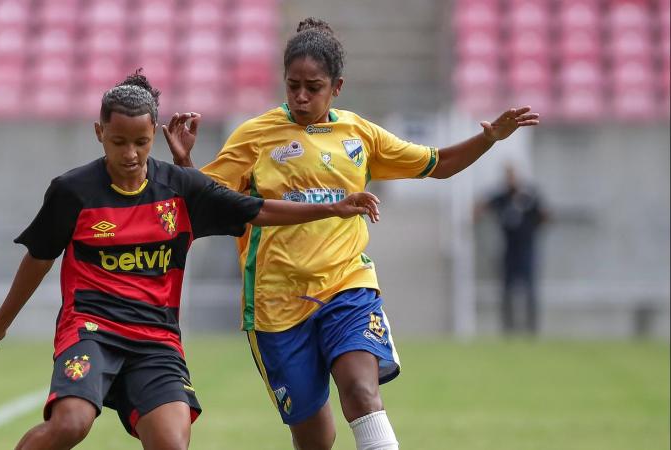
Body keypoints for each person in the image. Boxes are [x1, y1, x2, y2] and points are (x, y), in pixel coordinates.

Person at [166, 17, 540, 450]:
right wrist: (185, 164)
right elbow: (208, 202)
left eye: (313, 87)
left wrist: (488, 139)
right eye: (293, 86)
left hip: (347, 287)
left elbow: (437, 164)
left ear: (337, 87)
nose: (301, 96)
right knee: (316, 439)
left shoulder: (359, 135)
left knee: (362, 393)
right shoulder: (255, 136)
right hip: (275, 305)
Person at [0, 70, 383, 450]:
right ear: (99, 132)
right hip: (91, 329)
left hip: (155, 339)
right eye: (118, 142)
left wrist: (332, 208)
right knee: (71, 423)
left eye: (141, 142)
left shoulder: (180, 188)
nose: (131, 154)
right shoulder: (73, 192)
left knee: (171, 441)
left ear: (154, 134)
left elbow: (257, 209)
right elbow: (39, 258)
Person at [477, 164, 548, 335]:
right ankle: (508, 329)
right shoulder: (502, 197)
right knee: (507, 290)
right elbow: (482, 206)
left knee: (529, 289)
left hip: (527, 249)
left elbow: (544, 214)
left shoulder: (528, 196)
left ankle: (531, 329)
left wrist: (534, 226)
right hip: (509, 250)